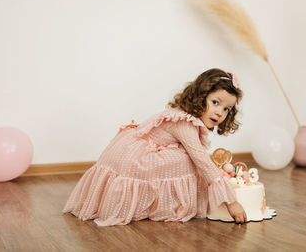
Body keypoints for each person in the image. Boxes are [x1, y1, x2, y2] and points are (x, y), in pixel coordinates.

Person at [63, 68, 247, 225]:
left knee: (188, 158)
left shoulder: (186, 118)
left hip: (132, 151)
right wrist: (231, 202)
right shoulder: (184, 122)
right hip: (136, 159)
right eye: (215, 102)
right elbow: (201, 160)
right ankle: (163, 204)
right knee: (188, 160)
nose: (219, 112)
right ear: (201, 97)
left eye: (226, 109)